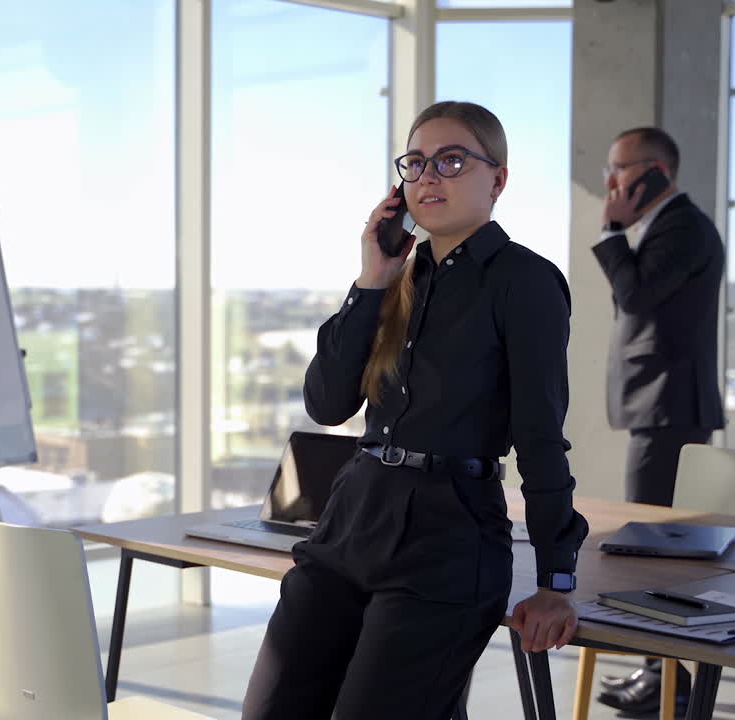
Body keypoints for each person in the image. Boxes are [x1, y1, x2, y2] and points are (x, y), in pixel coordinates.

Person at [241, 101, 589, 720]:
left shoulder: (525, 281)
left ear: (498, 179)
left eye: (452, 160)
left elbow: (541, 437)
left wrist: (555, 581)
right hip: (350, 523)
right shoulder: (397, 279)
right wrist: (371, 280)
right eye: (416, 162)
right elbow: (327, 403)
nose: (429, 176)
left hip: (447, 542)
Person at [591, 127, 726, 715]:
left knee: (655, 547)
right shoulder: (669, 225)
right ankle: (663, 673)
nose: (611, 182)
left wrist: (611, 232)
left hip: (671, 404)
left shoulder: (683, 226)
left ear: (657, 172)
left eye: (619, 169)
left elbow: (637, 298)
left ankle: (666, 676)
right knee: (653, 544)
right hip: (661, 404)